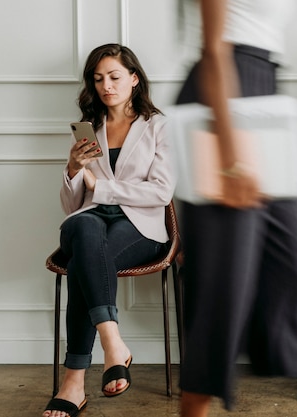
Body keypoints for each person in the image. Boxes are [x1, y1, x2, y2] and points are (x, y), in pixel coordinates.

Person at [175, 1, 297, 416]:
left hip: (262, 99)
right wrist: (230, 158)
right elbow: (214, 49)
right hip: (221, 102)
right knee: (223, 292)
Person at [43, 44, 175, 417]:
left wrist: (100, 188)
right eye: (98, 79)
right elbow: (73, 205)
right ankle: (112, 341)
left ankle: (73, 383)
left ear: (134, 78)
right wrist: (72, 169)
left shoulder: (159, 127)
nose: (107, 86)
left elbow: (161, 192)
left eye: (115, 77)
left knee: (87, 259)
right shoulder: (90, 128)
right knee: (84, 226)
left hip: (140, 227)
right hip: (90, 222)